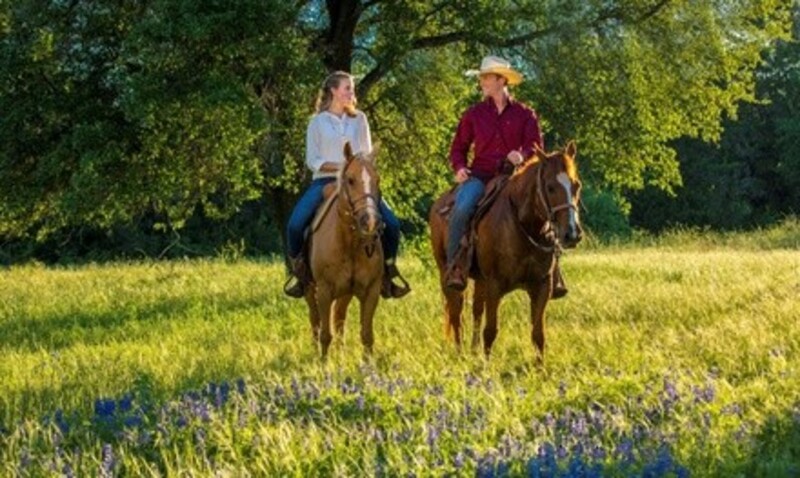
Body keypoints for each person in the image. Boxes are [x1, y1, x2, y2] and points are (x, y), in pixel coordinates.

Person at [445, 55, 568, 298]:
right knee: (462, 208)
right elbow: (458, 147)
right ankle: (455, 267)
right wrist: (459, 167)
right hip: (480, 175)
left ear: (501, 80)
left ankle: (554, 270)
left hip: (516, 178)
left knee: (545, 206)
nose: (482, 82)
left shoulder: (525, 114)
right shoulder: (474, 114)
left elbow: (536, 148)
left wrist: (521, 155)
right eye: (482, 78)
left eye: (487, 77)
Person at [283, 71, 410, 299]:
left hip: (358, 184)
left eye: (352, 88)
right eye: (347, 88)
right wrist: (342, 167)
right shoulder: (317, 123)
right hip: (325, 180)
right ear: (334, 91)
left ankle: (388, 272)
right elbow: (313, 161)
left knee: (391, 223)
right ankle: (300, 273)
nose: (352, 93)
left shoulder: (359, 118)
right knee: (294, 225)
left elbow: (366, 154)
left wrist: (356, 170)